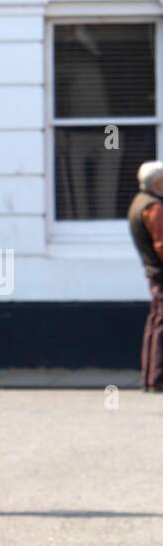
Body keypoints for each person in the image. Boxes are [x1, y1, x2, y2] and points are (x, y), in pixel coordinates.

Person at [129, 160, 163, 391]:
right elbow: (162, 244)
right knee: (160, 324)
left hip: (153, 272)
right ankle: (158, 378)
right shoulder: (154, 207)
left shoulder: (139, 202)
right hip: (160, 273)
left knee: (155, 322)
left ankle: (150, 377)